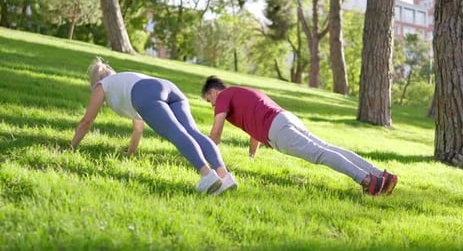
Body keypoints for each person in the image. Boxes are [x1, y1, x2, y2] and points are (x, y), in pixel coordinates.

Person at [201, 75, 398, 196]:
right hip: (286, 118)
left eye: (209, 100)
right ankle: (382, 176)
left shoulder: (223, 97)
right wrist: (252, 156)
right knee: (328, 148)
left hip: (277, 130)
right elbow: (254, 131)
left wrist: (206, 161)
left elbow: (216, 134)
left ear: (214, 92)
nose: (212, 106)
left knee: (320, 155)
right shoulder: (242, 92)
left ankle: (367, 181)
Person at [71, 58, 237, 195]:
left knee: (176, 133)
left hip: (147, 93)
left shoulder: (102, 86)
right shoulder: (124, 82)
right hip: (168, 87)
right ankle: (224, 176)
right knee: (193, 132)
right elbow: (138, 128)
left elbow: (86, 121)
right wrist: (130, 153)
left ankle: (207, 175)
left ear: (94, 82)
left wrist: (72, 147)